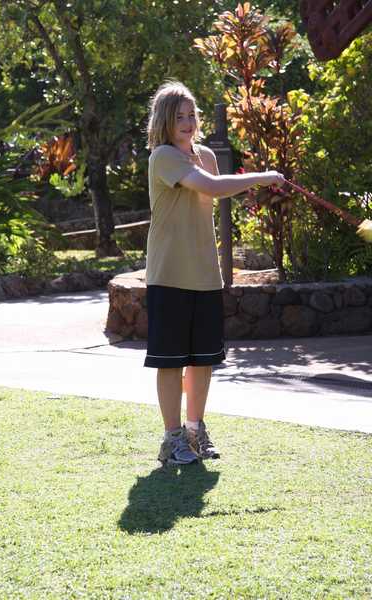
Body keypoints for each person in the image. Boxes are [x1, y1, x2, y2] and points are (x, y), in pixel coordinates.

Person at [145, 80, 284, 466]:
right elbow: (211, 187)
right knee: (170, 361)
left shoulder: (205, 155)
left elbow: (212, 189)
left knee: (203, 359)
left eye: (192, 115)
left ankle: (194, 431)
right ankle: (171, 440)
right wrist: (261, 176)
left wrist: (262, 183)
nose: (188, 122)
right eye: (180, 117)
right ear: (165, 121)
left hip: (204, 274)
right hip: (169, 274)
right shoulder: (163, 157)